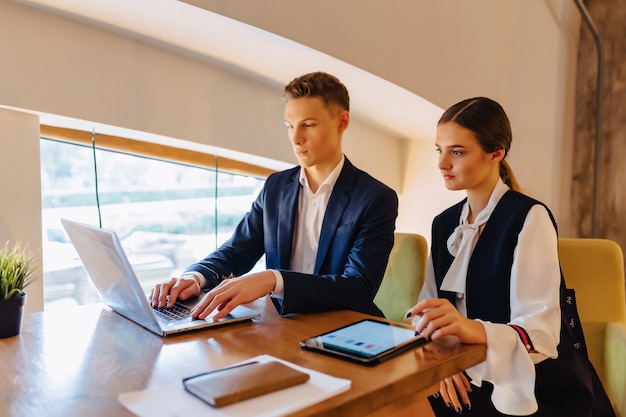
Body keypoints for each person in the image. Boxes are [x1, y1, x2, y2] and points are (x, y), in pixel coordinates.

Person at [406, 97, 614, 416]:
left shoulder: (530, 217)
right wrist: (444, 364)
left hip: (533, 386)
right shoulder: (444, 224)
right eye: (439, 149)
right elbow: (427, 312)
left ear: (496, 153)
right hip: (461, 377)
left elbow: (539, 336)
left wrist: (467, 329)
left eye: (457, 152)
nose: (442, 163)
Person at [150, 71, 398, 321]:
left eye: (308, 125)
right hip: (281, 325)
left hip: (344, 330)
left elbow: (357, 289)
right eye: (290, 126)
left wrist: (274, 279)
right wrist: (194, 276)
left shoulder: (375, 198)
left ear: (342, 122)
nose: (296, 138)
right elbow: (237, 251)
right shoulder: (276, 187)